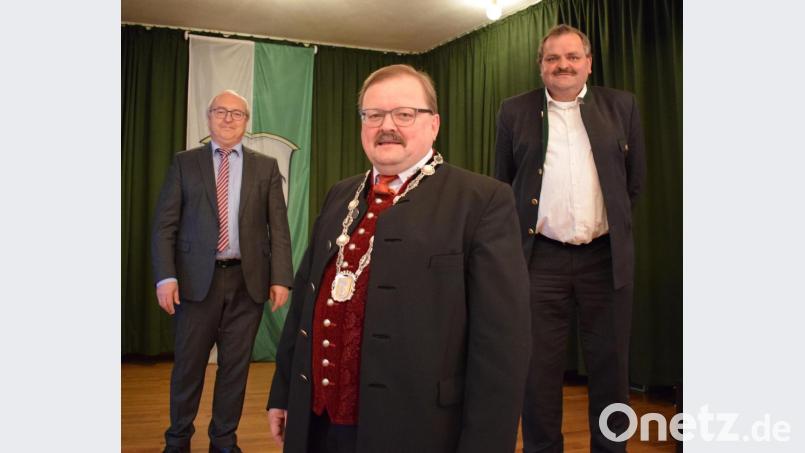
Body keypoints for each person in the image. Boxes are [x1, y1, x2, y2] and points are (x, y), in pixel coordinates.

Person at [266, 64, 531, 453]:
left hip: (418, 431)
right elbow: (305, 306)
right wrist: (284, 392)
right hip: (318, 425)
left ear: (434, 124)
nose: (386, 125)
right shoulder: (341, 194)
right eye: (373, 115)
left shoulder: (481, 201)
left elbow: (501, 346)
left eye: (404, 114)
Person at [495, 24, 647, 453]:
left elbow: (632, 185)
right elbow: (502, 183)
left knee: (611, 368)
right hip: (539, 261)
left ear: (588, 62)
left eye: (572, 57)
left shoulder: (623, 107)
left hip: (606, 258)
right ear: (540, 65)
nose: (563, 65)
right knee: (537, 371)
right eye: (553, 58)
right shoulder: (513, 111)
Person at [152, 89, 294, 453]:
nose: (229, 118)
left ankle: (224, 441)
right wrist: (166, 276)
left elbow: (277, 226)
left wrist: (281, 277)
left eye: (237, 114)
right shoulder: (185, 163)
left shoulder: (265, 167)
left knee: (235, 370)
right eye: (221, 111)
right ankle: (178, 439)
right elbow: (165, 224)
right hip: (195, 284)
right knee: (188, 368)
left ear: (246, 123)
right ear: (209, 117)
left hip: (248, 284)